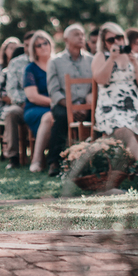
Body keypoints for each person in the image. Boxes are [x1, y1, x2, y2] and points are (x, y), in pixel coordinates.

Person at [91, 21, 138, 166]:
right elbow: (101, 80)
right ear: (104, 43)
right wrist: (111, 59)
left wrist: (135, 62)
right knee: (126, 132)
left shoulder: (136, 57)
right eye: (111, 40)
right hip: (110, 107)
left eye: (119, 37)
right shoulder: (101, 56)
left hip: (134, 105)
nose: (117, 42)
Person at [44, 24, 93, 176]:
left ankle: (94, 160)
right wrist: (71, 106)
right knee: (61, 117)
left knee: (99, 116)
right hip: (64, 103)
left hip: (87, 104)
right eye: (77, 34)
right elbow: (53, 90)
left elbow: (94, 88)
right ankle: (54, 162)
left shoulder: (91, 60)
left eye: (83, 35)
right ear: (66, 39)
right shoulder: (55, 61)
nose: (81, 37)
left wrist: (87, 106)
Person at [22, 32, 55, 173]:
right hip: (35, 108)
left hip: (59, 106)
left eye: (45, 43)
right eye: (38, 45)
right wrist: (56, 102)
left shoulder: (57, 64)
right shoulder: (30, 68)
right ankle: (37, 161)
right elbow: (32, 96)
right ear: (33, 49)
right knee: (49, 117)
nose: (43, 47)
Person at [0, 39, 29, 169]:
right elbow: (7, 91)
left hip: (42, 104)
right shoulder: (12, 67)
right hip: (18, 103)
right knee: (11, 113)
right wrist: (21, 102)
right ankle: (13, 156)